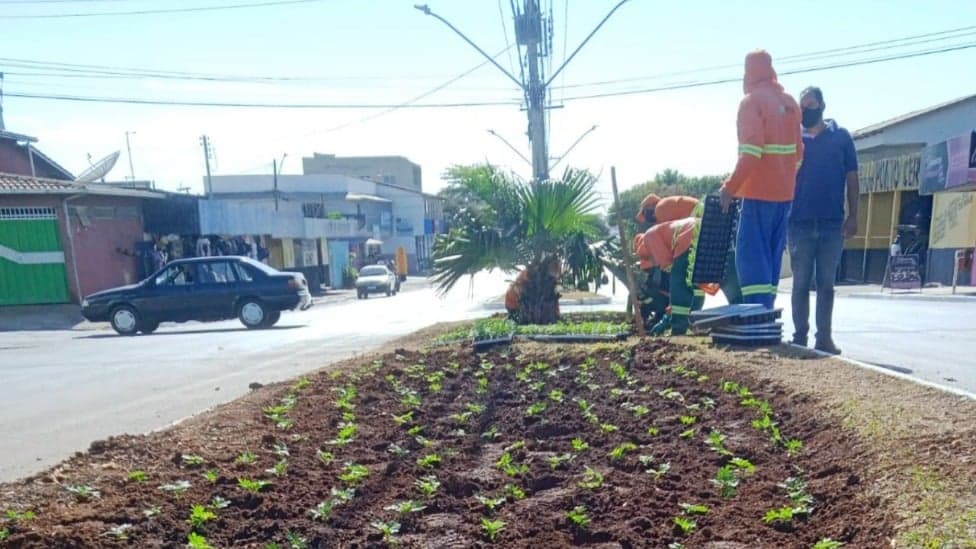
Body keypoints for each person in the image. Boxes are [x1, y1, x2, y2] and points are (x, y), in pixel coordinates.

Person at [720, 50, 803, 311]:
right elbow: (799, 153)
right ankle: (766, 313)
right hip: (784, 195)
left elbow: (752, 151)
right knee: (771, 256)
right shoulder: (790, 103)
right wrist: (783, 178)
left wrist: (729, 189)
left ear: (748, 73)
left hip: (758, 193)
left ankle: (757, 316)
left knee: (752, 255)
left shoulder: (751, 102)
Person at [789, 86, 859, 354]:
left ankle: (824, 338)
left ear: (822, 106)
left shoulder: (841, 138)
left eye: (811, 106)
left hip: (832, 224)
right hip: (799, 223)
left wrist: (854, 216)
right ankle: (799, 337)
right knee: (800, 284)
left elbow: (852, 179)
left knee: (826, 284)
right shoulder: (794, 140)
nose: (806, 111)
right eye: (802, 108)